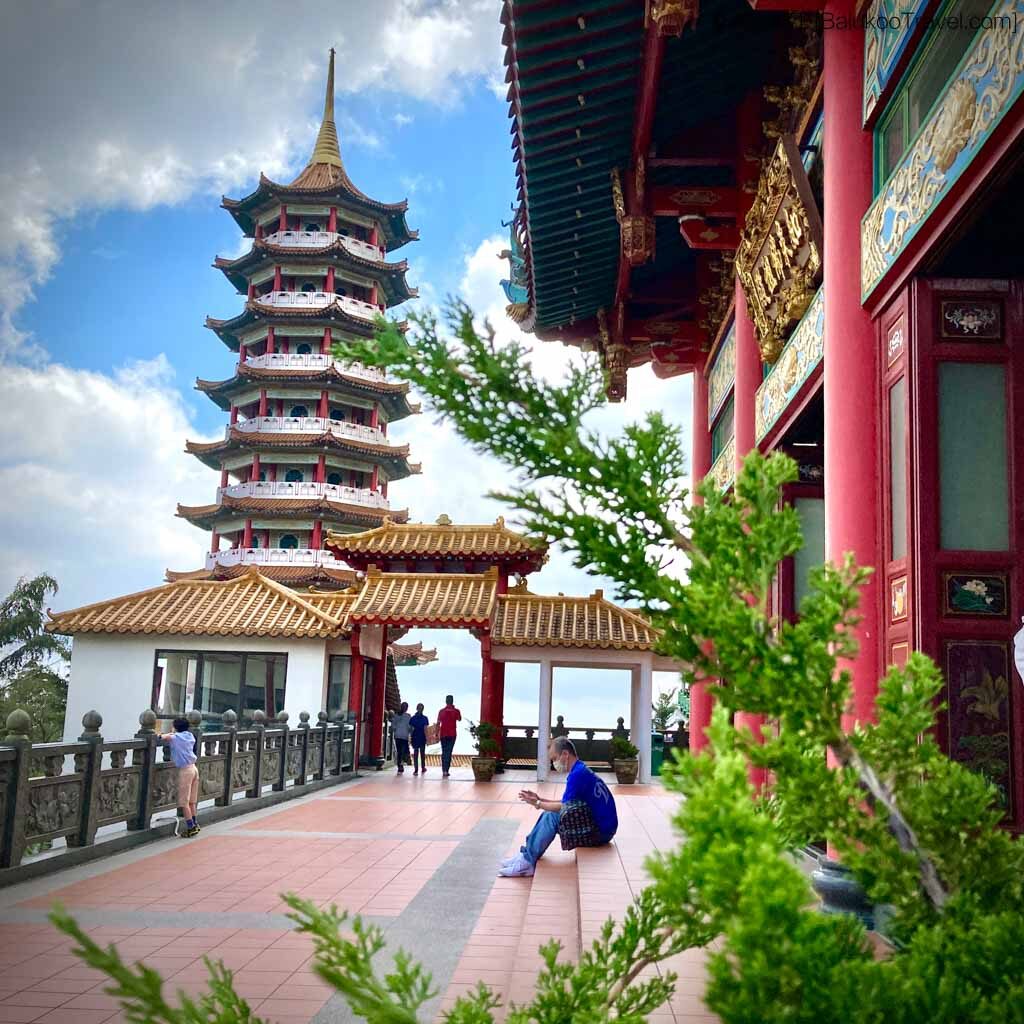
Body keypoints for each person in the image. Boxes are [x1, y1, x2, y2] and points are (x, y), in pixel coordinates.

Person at [499, 736, 617, 877]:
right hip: (603, 827)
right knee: (549, 814)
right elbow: (566, 803)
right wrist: (540, 799)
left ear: (565, 754)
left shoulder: (577, 775)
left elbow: (563, 807)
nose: (554, 763)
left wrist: (538, 804)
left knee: (552, 817)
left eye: (554, 759)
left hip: (601, 833)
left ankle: (527, 862)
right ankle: (526, 855)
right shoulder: (580, 770)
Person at [159, 718, 200, 838]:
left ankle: (190, 827)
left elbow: (162, 737)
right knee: (192, 801)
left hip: (185, 771)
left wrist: (163, 735)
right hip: (194, 768)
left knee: (184, 802)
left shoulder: (175, 737)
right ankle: (195, 823)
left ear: (176, 727)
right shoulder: (190, 736)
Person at [436, 695, 462, 778]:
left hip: (443, 734)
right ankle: (446, 770)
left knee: (444, 752)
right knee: (449, 752)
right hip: (452, 734)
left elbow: (438, 723)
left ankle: (444, 770)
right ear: (452, 701)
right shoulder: (456, 711)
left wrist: (436, 733)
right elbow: (459, 719)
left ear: (446, 701)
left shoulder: (441, 711)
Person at [409, 702, 429, 776]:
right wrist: (427, 739)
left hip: (416, 737)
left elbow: (411, 729)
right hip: (421, 737)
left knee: (416, 753)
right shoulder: (425, 718)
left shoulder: (413, 718)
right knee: (421, 753)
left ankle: (416, 769)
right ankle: (422, 768)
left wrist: (410, 738)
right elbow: (425, 729)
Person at [392, 702, 412, 775]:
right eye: (404, 706)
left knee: (401, 751)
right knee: (400, 751)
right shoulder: (398, 715)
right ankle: (400, 765)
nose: (405, 708)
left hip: (402, 736)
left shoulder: (406, 716)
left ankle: (400, 764)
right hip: (401, 736)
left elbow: (393, 726)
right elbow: (409, 727)